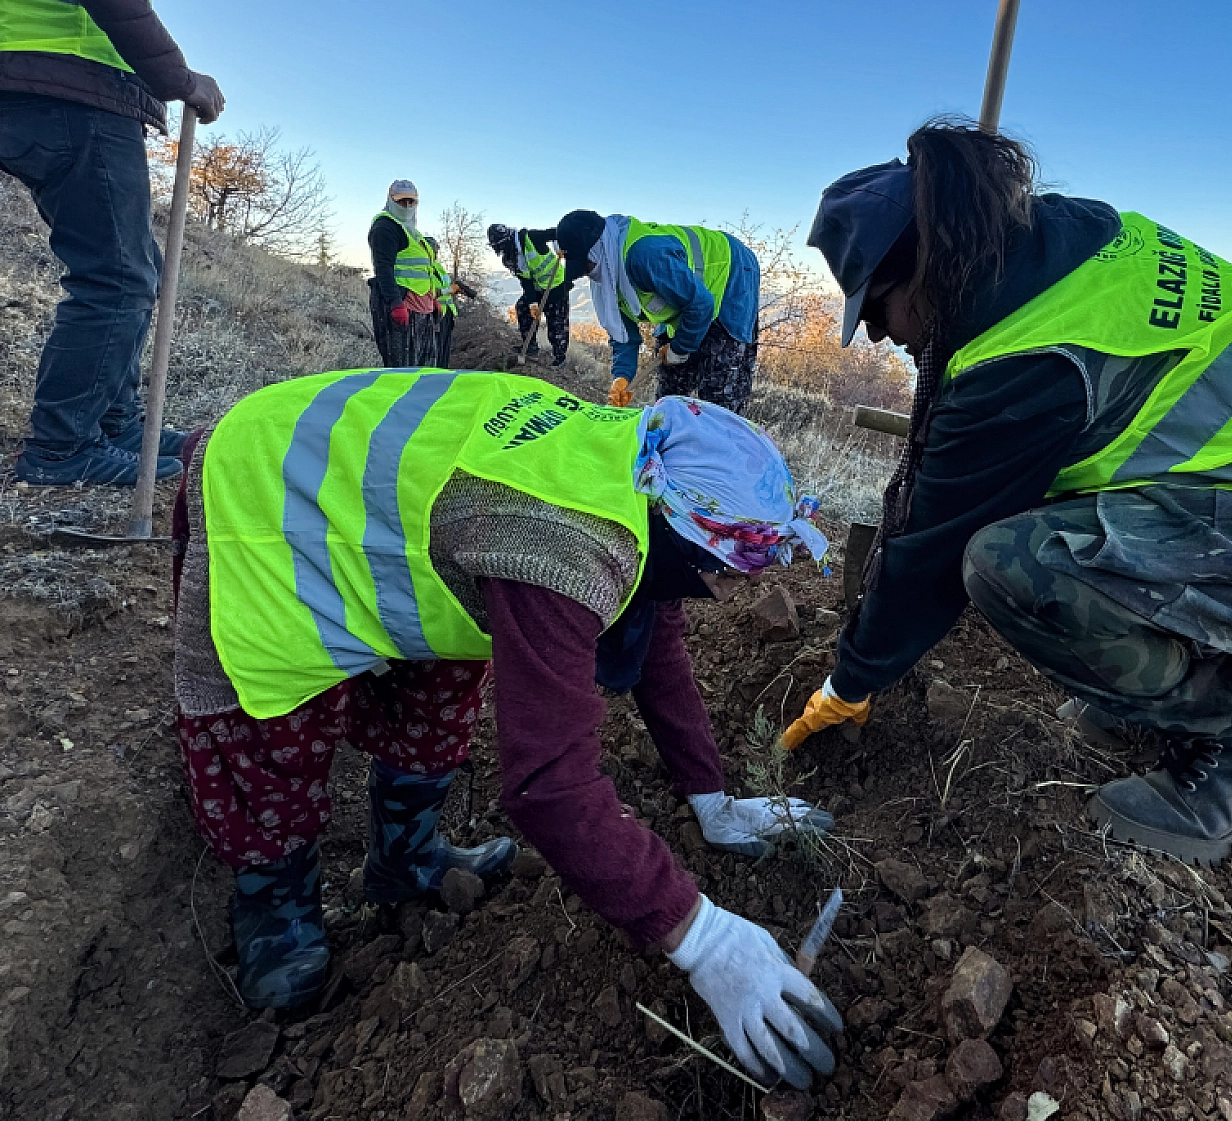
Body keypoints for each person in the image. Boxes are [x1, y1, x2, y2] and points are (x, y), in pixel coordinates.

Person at [783, 119, 1232, 866]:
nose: (881, 338)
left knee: (1014, 562)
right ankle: (1149, 691)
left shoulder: (1027, 351)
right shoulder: (1068, 241)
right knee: (1051, 507)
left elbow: (932, 548)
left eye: (876, 309)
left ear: (922, 267)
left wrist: (851, 680)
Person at [170, 374, 841, 1087]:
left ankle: (404, 857)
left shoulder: (637, 477)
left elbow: (656, 646)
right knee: (269, 723)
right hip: (268, 490)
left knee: (439, 686)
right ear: (681, 533)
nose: (741, 587)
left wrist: (711, 797)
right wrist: (702, 938)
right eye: (732, 567)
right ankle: (276, 906)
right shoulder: (567, 544)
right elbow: (548, 783)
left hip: (405, 514)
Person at [2, 0, 223, 486]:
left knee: (134, 266)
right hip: (68, 90)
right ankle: (61, 447)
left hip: (42, 84)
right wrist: (180, 80)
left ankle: (113, 422)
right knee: (117, 277)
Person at [549, 210, 760, 413]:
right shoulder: (608, 272)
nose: (586, 273)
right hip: (686, 298)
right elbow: (622, 333)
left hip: (732, 273)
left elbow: (701, 303)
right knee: (669, 393)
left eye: (585, 265)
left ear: (598, 249)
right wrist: (622, 377)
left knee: (718, 395)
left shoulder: (644, 256)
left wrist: (679, 348)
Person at [367, 180, 438, 367]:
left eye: (411, 201)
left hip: (422, 309)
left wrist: (432, 298)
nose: (406, 205)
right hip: (402, 307)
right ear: (391, 200)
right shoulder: (385, 227)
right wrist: (395, 303)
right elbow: (383, 268)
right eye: (401, 201)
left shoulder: (414, 233)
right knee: (403, 371)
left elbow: (423, 270)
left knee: (425, 369)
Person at [486, 223, 570, 366]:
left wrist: (559, 248)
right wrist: (532, 304)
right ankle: (530, 346)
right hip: (538, 289)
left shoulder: (531, 237)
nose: (501, 251)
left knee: (556, 324)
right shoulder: (511, 258)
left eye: (501, 246)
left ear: (508, 240)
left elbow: (557, 232)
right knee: (522, 307)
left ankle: (560, 358)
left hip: (557, 286)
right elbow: (526, 281)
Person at [426, 235, 476, 367]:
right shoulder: (423, 268)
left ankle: (442, 374)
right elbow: (425, 293)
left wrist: (456, 290)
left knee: (444, 351)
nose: (435, 253)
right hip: (433, 315)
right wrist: (449, 290)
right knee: (434, 352)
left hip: (446, 315)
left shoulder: (437, 267)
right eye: (433, 250)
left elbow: (444, 287)